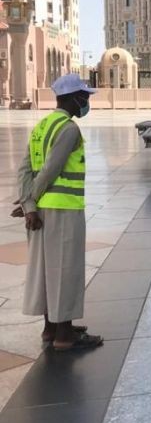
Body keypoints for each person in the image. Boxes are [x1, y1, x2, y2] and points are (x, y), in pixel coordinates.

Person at [14, 74, 103, 351]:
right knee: (65, 269)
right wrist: (30, 200)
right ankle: (65, 335)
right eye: (84, 97)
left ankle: (50, 327)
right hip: (63, 209)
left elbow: (24, 170)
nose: (86, 102)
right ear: (73, 98)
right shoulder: (68, 129)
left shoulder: (42, 126)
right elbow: (50, 169)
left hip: (40, 212)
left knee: (45, 269)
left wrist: (30, 207)